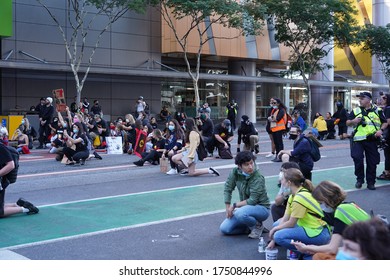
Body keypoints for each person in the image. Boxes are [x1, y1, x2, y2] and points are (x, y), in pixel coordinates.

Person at [292, 181, 370, 260]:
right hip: (373, 248)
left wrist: (308, 248)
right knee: (321, 254)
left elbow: (332, 248)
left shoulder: (341, 210)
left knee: (319, 256)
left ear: (327, 199)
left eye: (320, 203)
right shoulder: (349, 205)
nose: (320, 206)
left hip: (370, 253)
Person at [266, 168, 330, 259]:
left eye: (283, 179)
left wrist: (274, 231)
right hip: (309, 227)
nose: (281, 181)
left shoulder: (299, 198)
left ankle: (310, 251)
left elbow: (291, 223)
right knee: (276, 225)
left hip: (319, 232)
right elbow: (285, 218)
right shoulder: (294, 195)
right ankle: (307, 247)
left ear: (289, 182)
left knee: (279, 236)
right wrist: (273, 239)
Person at [219, 151, 270, 238]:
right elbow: (228, 189)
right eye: (246, 164)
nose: (250, 167)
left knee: (240, 213)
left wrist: (234, 205)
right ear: (239, 166)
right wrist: (228, 208)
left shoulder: (257, 177)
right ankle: (249, 228)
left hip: (262, 208)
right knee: (225, 229)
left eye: (251, 163)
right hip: (245, 208)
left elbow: (252, 200)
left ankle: (257, 226)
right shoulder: (235, 172)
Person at [346, 92, 387, 190]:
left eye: (362, 98)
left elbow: (385, 123)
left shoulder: (378, 110)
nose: (360, 100)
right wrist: (353, 121)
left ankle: (371, 182)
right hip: (358, 140)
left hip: (372, 140)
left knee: (372, 162)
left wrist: (380, 131)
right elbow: (347, 122)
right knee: (357, 159)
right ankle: (359, 180)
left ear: (369, 100)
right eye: (359, 98)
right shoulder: (356, 110)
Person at [1, 143, 39, 217]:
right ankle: (17, 204)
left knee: (0, 212)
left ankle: (27, 209)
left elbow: (11, 165)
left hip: (1, 181)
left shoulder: (1, 147)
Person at [268, 98, 287, 162]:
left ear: (278, 103)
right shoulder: (274, 110)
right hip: (274, 129)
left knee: (279, 143)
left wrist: (271, 119)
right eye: (272, 103)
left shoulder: (281, 110)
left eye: (274, 103)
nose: (273, 104)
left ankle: (280, 156)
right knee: (276, 143)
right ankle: (277, 156)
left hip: (279, 128)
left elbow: (277, 119)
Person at [377, 93, 390, 180]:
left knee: (388, 154)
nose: (382, 100)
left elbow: (388, 122)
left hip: (388, 134)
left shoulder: (388, 109)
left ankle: (387, 172)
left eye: (384, 98)